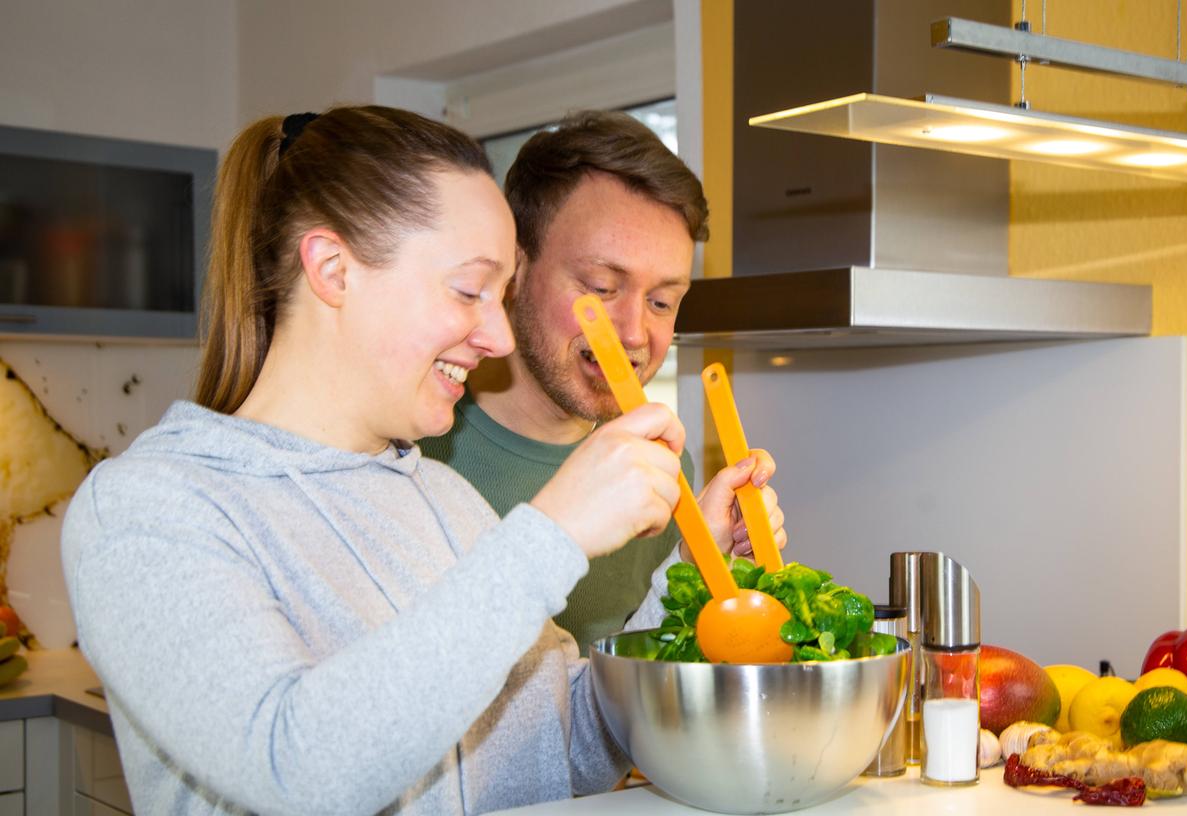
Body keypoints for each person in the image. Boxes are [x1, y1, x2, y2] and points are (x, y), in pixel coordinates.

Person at [60, 106, 744, 814]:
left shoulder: (442, 500)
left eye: (501, 296)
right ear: (332, 270)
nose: (499, 337)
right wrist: (552, 535)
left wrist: (686, 590)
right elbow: (292, 771)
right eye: (469, 290)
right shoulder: (150, 508)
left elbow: (575, 745)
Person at [420, 111, 786, 653]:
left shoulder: (660, 468)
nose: (634, 333)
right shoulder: (419, 452)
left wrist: (695, 567)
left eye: (662, 302)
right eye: (601, 287)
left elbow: (608, 707)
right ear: (514, 270)